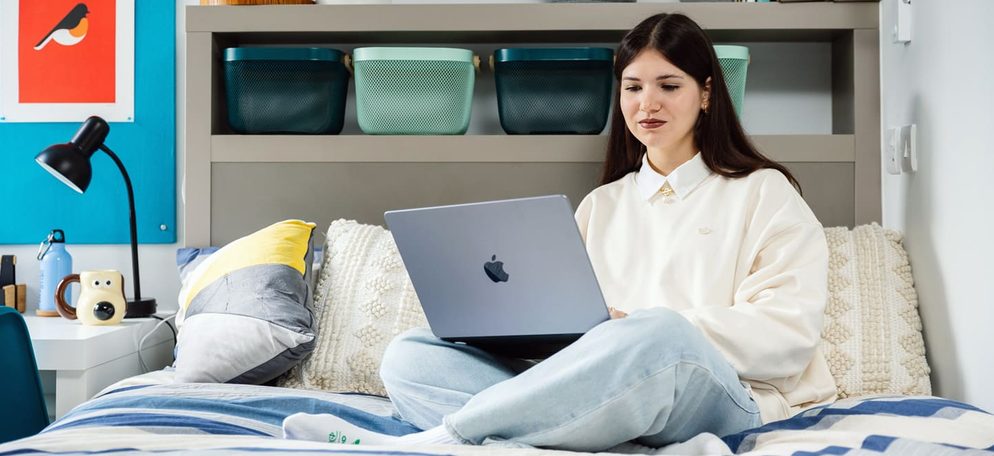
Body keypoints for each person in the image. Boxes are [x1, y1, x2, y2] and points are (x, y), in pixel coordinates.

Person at [283, 12, 836, 452]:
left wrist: (635, 331)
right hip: (597, 397)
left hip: (724, 396)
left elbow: (786, 338)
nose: (648, 104)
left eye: (669, 85)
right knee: (410, 355)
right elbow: (566, 326)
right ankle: (596, 444)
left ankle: (448, 437)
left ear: (707, 93)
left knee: (659, 334)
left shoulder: (762, 191)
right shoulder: (602, 205)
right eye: (633, 87)